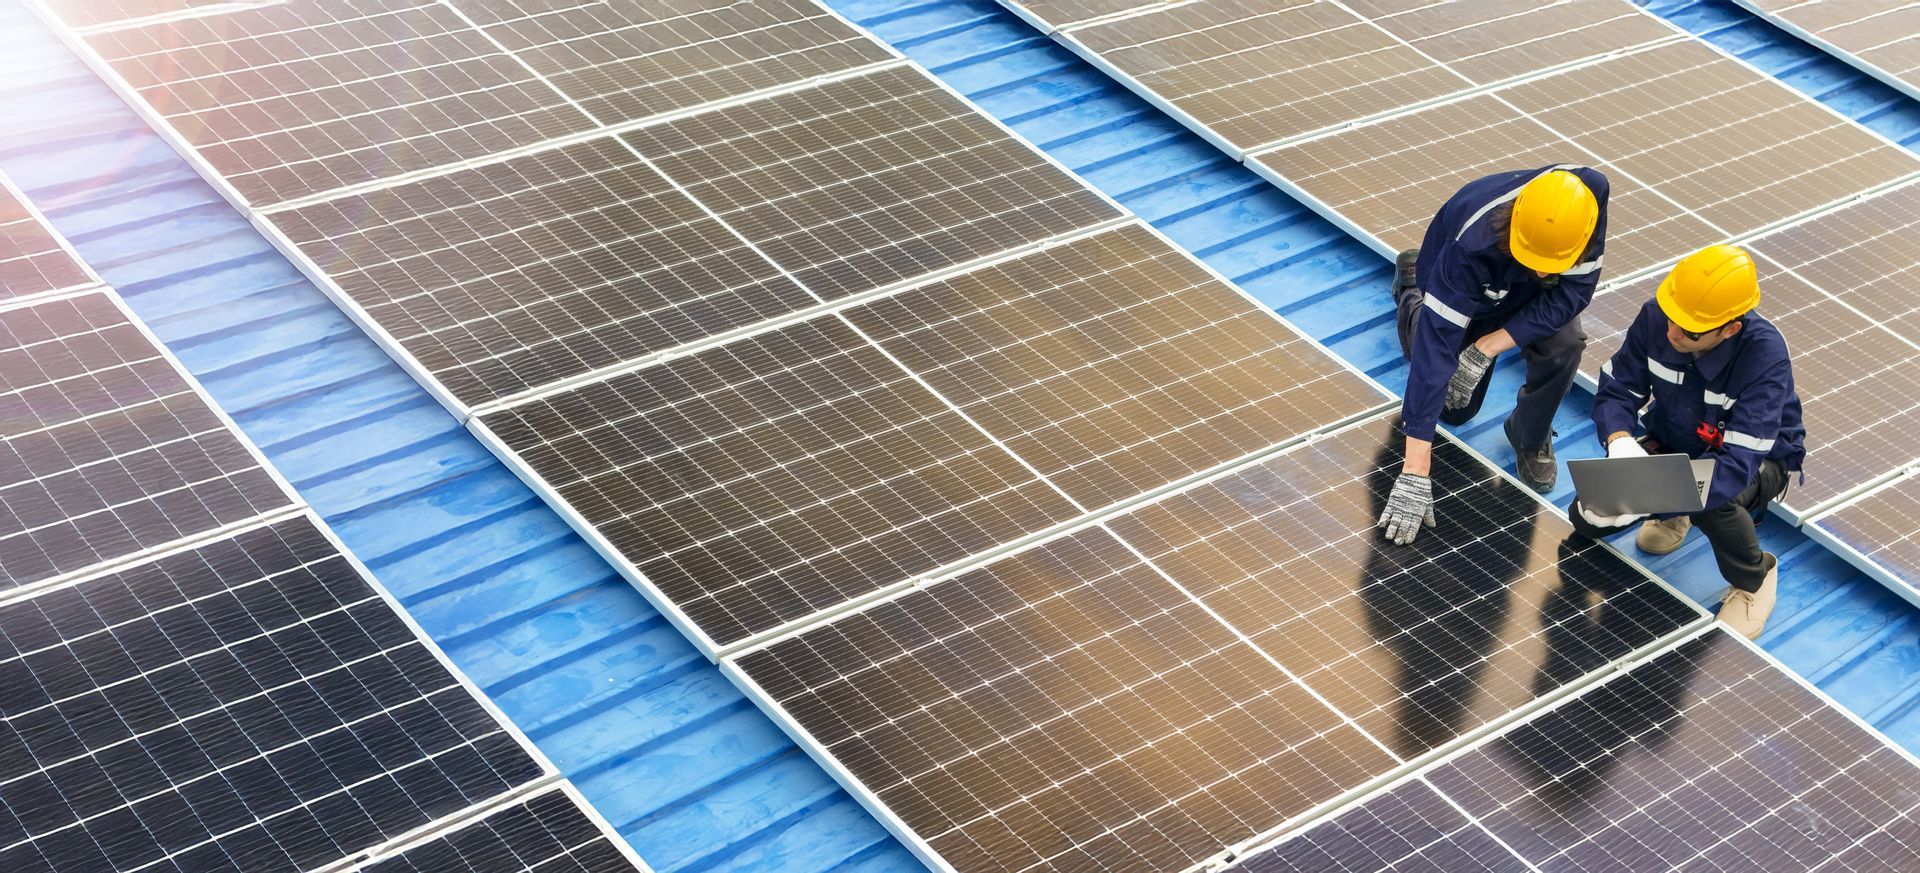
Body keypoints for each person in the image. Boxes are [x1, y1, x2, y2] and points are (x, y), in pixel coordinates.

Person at [1571, 244, 1805, 639]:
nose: (1672, 333)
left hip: (1752, 462)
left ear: (1730, 328)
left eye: (1689, 330)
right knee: (1586, 520)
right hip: (1675, 437)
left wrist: (1655, 494)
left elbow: (1735, 466)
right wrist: (1620, 442)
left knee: (1714, 504)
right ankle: (1674, 511)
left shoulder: (1764, 357)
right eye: (1671, 319)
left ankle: (1755, 578)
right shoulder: (1661, 315)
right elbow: (1618, 390)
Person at [1378, 166, 1608, 546]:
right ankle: (1413, 292)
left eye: (1549, 264)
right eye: (1534, 258)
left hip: (1529, 297)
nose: (1539, 269)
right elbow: (1436, 353)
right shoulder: (1471, 246)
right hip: (1474, 287)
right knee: (1454, 409)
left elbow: (1573, 293)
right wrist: (1415, 469)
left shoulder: (1585, 205)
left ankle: (1529, 435)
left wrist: (1489, 346)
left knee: (1566, 345)